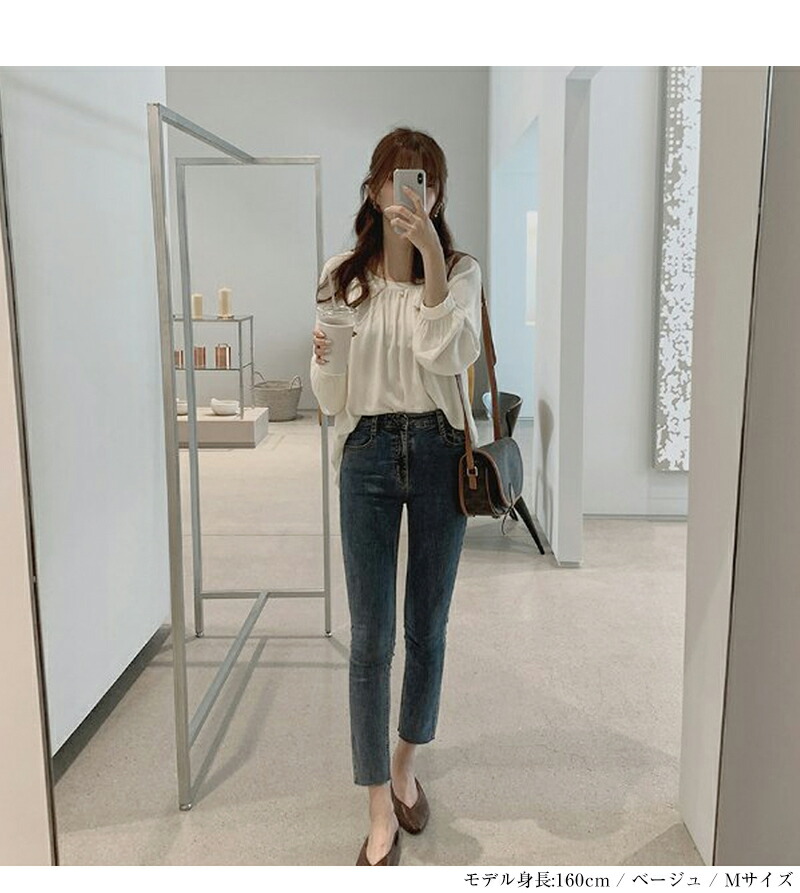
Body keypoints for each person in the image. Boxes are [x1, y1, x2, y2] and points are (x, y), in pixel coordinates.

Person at [309, 127, 482, 866]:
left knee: (427, 626)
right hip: (368, 454)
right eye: (398, 177)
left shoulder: (462, 272)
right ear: (375, 188)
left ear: (436, 194)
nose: (412, 191)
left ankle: (406, 761)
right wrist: (325, 358)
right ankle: (378, 801)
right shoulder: (341, 276)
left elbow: (449, 353)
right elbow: (329, 397)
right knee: (371, 638)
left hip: (440, 452)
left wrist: (434, 260)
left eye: (426, 180)